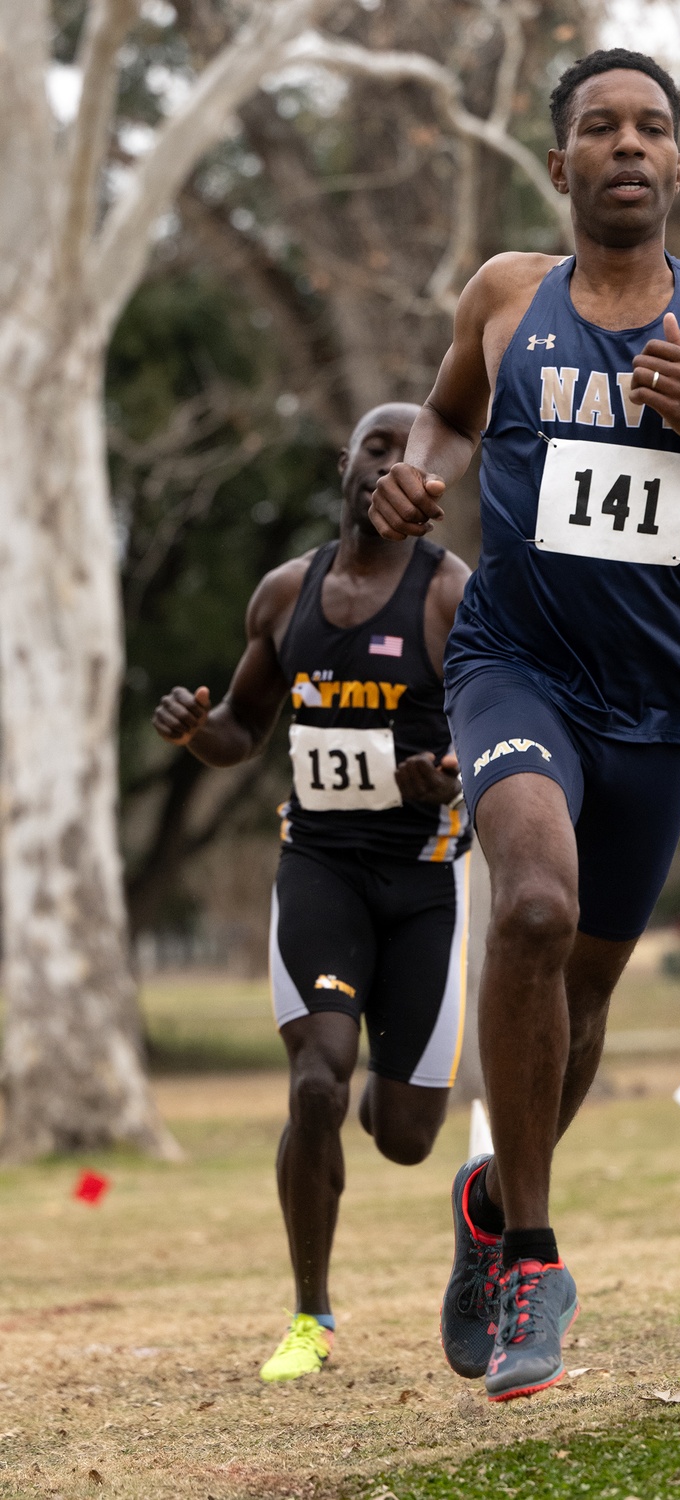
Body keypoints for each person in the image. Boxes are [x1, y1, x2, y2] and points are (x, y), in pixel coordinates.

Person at [370, 49, 680, 1402]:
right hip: (515, 669)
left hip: (657, 702)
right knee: (527, 909)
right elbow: (448, 421)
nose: (627, 145)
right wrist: (417, 482)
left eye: (652, 128)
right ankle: (534, 1256)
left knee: (578, 1005)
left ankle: (487, 1201)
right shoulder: (506, 296)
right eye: (599, 127)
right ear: (563, 161)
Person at [153, 403, 471, 1382]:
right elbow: (244, 731)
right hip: (321, 869)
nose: (389, 465)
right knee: (315, 1082)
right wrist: (193, 730)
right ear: (347, 465)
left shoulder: (449, 597)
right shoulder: (285, 595)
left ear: (430, 482)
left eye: (409, 454)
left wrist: (442, 775)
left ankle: (399, 1097)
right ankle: (310, 1316)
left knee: (408, 1137)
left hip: (421, 883)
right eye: (376, 446)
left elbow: (484, 731)